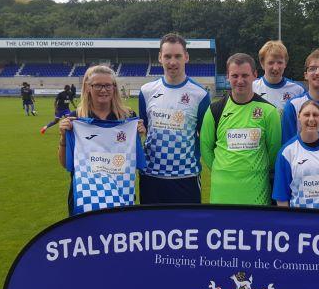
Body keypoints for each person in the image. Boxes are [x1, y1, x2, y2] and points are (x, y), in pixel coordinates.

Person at [57, 65, 146, 215]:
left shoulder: (127, 117)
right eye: (97, 85)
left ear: (114, 87)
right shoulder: (76, 118)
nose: (103, 90)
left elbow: (136, 160)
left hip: (120, 195)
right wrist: (63, 137)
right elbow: (66, 164)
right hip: (85, 198)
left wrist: (139, 135)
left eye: (107, 85)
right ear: (88, 87)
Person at [200, 53, 281, 205]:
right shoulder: (215, 110)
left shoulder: (269, 112)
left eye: (245, 75)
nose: (240, 81)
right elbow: (205, 147)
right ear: (227, 77)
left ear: (255, 75)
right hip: (222, 191)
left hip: (256, 192)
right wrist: (222, 169)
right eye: (235, 75)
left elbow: (274, 152)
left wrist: (254, 170)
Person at [139, 33, 210, 204]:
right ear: (160, 58)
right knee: (151, 228)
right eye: (167, 56)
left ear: (186, 57)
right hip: (151, 177)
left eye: (178, 56)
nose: (172, 62)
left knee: (187, 229)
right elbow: (145, 129)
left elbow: (205, 136)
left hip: (186, 178)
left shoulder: (200, 95)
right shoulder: (146, 91)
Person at [252, 40, 305, 116]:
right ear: (262, 64)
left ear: (285, 64)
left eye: (280, 62)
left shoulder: (298, 90)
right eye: (271, 63)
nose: (276, 68)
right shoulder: (252, 88)